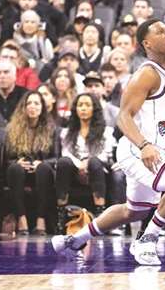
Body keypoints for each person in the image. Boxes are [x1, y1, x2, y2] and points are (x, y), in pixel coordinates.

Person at [52, 19, 165, 266]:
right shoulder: (147, 73)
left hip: (153, 151)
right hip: (139, 148)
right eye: (160, 31)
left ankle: (73, 240)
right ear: (147, 43)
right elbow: (123, 117)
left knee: (132, 210)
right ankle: (148, 239)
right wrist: (144, 145)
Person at [5, 91, 60, 236]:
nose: (32, 106)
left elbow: (56, 157)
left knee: (43, 168)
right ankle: (22, 219)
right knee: (15, 169)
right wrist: (18, 162)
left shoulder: (51, 129)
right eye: (28, 103)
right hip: (20, 173)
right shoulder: (12, 129)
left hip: (43, 173)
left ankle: (40, 220)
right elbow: (6, 159)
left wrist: (40, 163)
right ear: (23, 107)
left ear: (42, 107)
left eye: (36, 103)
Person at [54, 93, 110, 232]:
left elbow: (105, 154)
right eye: (80, 105)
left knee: (95, 163)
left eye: (87, 105)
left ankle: (99, 215)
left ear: (94, 109)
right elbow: (65, 153)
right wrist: (80, 165)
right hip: (73, 170)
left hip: (97, 169)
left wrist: (88, 162)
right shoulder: (66, 132)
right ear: (75, 109)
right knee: (63, 162)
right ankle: (61, 215)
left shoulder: (106, 132)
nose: (83, 108)